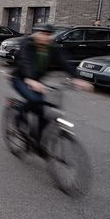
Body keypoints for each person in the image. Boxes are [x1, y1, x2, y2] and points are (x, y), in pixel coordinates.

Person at [11, 24, 93, 153]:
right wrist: (30, 78)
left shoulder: (52, 48)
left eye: (48, 34)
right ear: (36, 34)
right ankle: (18, 116)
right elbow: (25, 61)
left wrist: (76, 78)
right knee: (34, 100)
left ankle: (38, 143)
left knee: (44, 113)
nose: (45, 37)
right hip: (20, 79)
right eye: (42, 33)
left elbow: (65, 62)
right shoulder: (27, 45)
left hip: (37, 82)